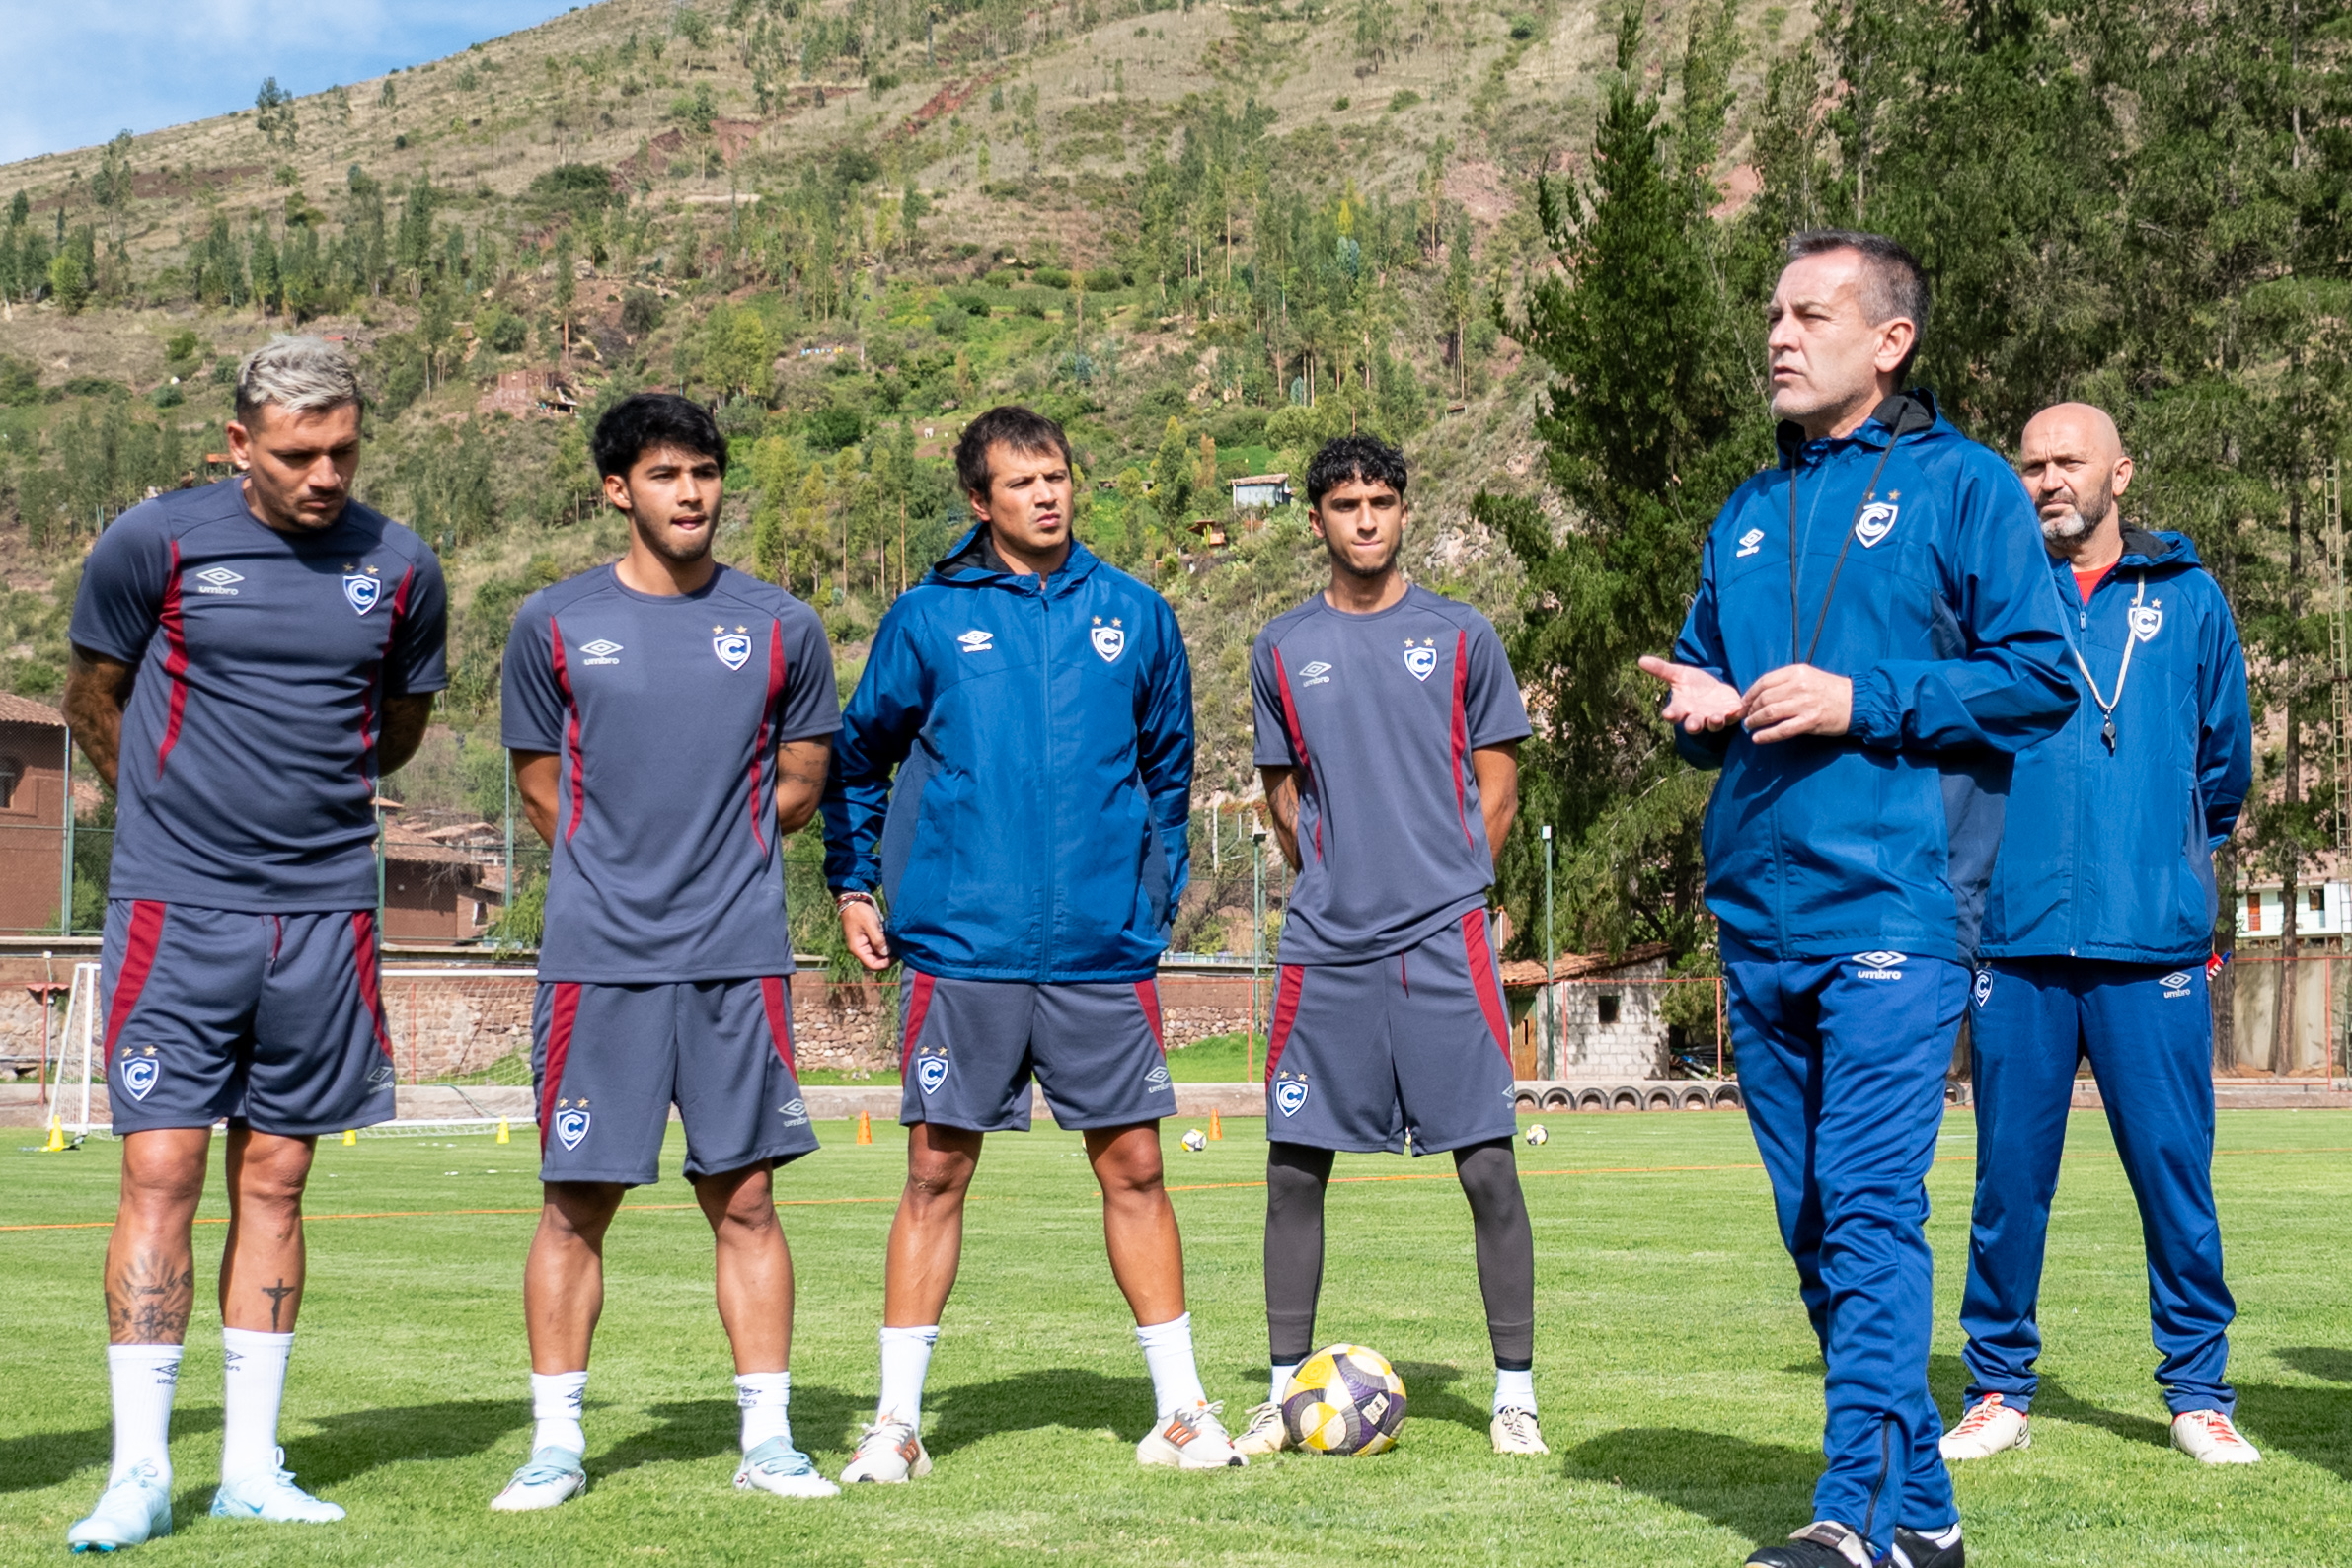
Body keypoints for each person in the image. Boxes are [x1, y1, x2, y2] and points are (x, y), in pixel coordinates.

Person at [1639, 231, 2078, 1568]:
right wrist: (1700, 715)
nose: (1776, 333)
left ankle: (1849, 1517)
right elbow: (1706, 687)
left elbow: (2035, 678)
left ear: (1886, 340)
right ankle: (1926, 1522)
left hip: (1892, 909)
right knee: (1814, 1225)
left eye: (1808, 313)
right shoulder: (1743, 509)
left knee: (1871, 1208)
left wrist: (1859, 696)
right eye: (1770, 312)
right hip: (1756, 913)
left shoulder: (1961, 489)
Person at [60, 336, 448, 1550]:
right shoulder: (155, 543)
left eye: (343, 450)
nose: (324, 474)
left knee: (276, 1179)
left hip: (323, 913)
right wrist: (171, 813)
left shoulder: (400, 564)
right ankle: (137, 1472)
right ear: (238, 445)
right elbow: (90, 696)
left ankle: (247, 1465)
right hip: (177, 909)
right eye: (297, 454)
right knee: (160, 1170)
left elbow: (396, 725)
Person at [822, 404, 1238, 1481]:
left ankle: (1182, 1411)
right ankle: (898, 1424)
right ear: (979, 500)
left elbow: (1168, 774)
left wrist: (1147, 900)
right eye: (1021, 482)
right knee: (933, 1172)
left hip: (1101, 950)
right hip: (965, 946)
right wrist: (854, 880)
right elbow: (856, 755)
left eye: (1057, 475)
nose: (1046, 495)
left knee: (1138, 1167)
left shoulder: (1137, 614)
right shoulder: (926, 618)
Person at [490, 394, 842, 1510]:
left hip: (737, 957)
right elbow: (543, 786)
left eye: (704, 471)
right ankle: (554, 1444)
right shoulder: (550, 622)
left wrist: (711, 858)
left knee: (745, 1201)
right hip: (600, 960)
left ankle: (772, 1440)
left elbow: (799, 782)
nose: (689, 492)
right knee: (572, 1202)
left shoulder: (782, 625)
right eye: (663, 474)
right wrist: (626, 871)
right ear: (616, 488)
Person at [1940, 403, 2257, 1467]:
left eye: (2066, 460)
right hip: (2017, 942)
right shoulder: (1989, 604)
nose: (2045, 480)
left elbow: (2223, 770)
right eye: (2029, 464)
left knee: (2175, 1174)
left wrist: (2158, 862)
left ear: (2119, 471)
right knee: (2005, 1183)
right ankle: (1996, 1389)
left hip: (2149, 947)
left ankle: (2198, 1390)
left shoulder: (2191, 599)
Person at [1233, 434, 1543, 1458]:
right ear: (1314, 519)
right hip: (1328, 942)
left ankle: (1513, 1395)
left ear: (1405, 511)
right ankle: (1283, 1393)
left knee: (1489, 1167)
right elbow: (1285, 798)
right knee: (1291, 1167)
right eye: (1344, 504)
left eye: (1380, 501)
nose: (1364, 519)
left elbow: (1497, 785)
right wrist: (1332, 872)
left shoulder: (1462, 636)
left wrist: (1451, 877)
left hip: (1443, 939)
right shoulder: (1279, 647)